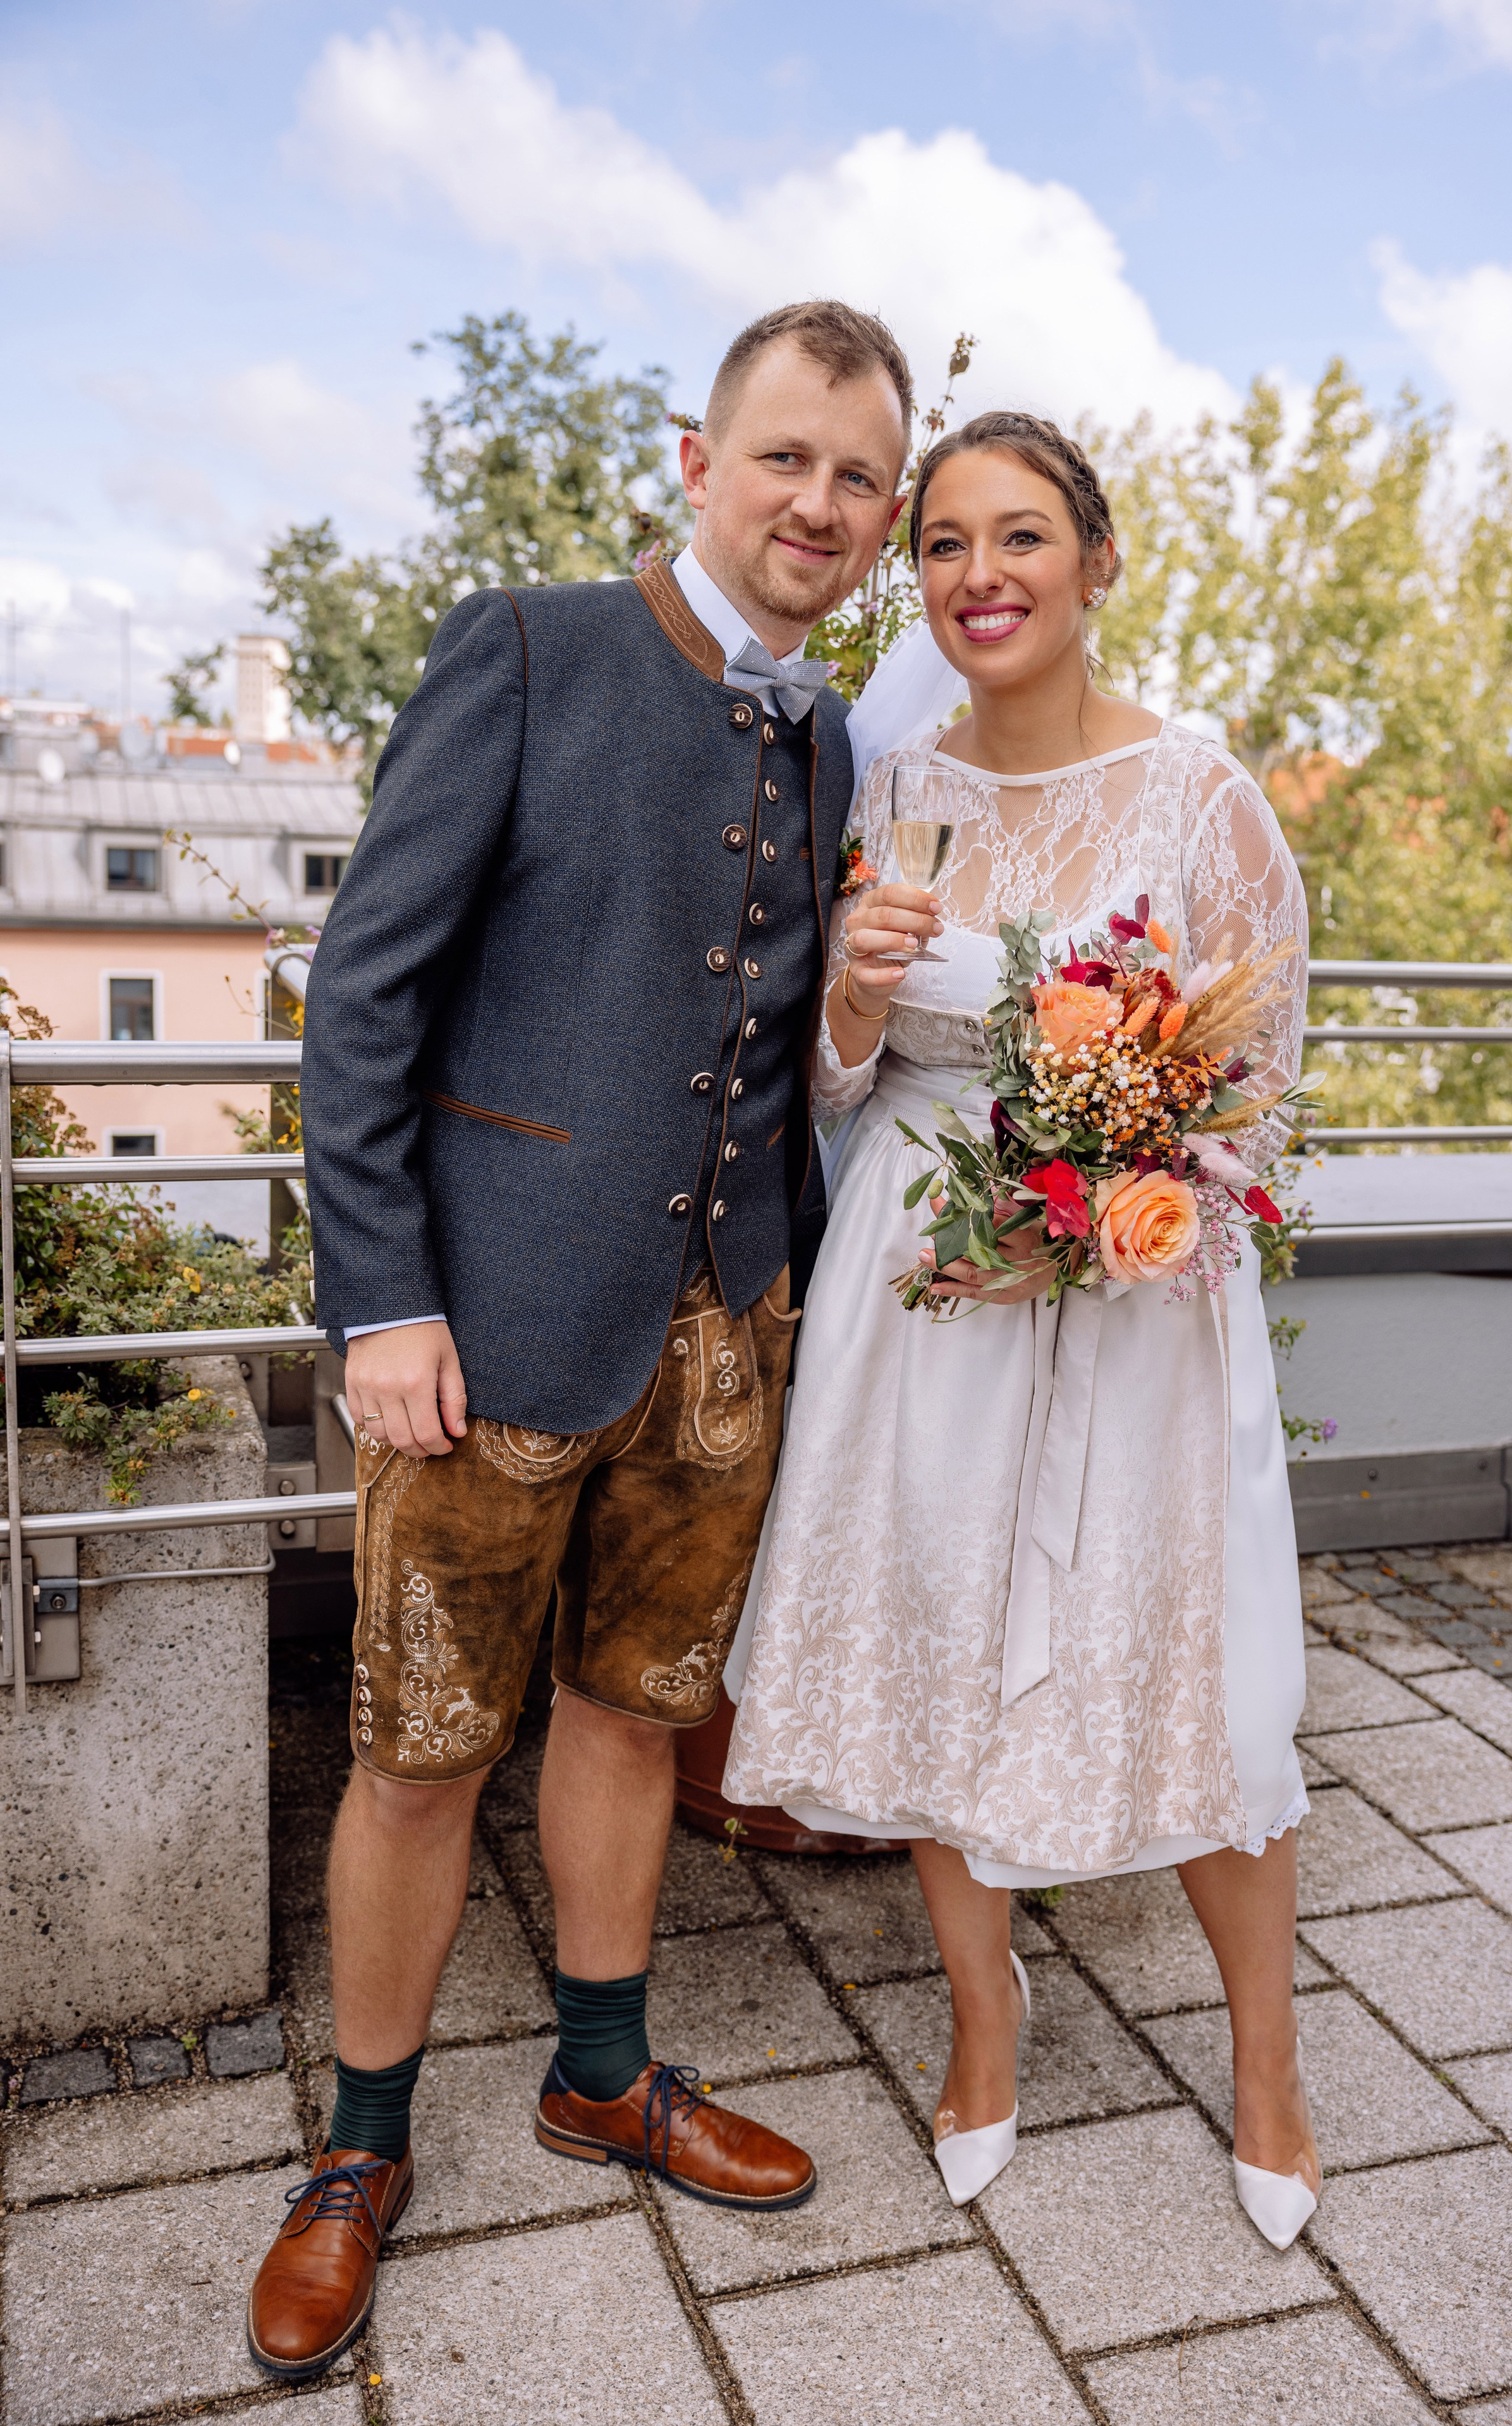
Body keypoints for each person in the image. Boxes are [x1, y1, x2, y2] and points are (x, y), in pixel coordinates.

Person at [246, 300, 915, 2381]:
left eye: (859, 478)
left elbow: (779, 1022)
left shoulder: (825, 732)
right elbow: (362, 1000)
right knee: (421, 1752)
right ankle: (359, 2152)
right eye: (786, 457)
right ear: (694, 459)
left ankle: (601, 2075)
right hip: (488, 1330)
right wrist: (382, 1296)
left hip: (727, 1328)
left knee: (638, 1712)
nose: (820, 503)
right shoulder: (526, 644)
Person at [724, 411, 1320, 2248]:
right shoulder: (894, 789)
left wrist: (1081, 1239)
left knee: (1190, 1669)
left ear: (1099, 560)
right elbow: (827, 1092)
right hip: (918, 1304)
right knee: (922, 1651)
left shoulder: (1201, 798)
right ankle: (986, 2021)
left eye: (1023, 538)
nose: (981, 577)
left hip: (1126, 1308)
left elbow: (1262, 1104)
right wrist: (841, 989)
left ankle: (1271, 2066)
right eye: (949, 546)